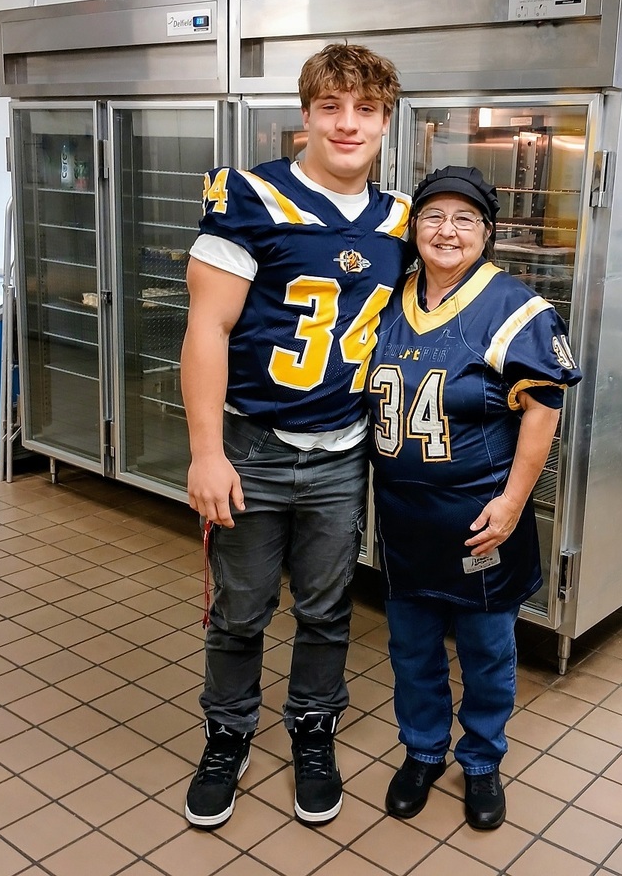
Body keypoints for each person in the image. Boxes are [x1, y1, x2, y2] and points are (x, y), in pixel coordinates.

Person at [180, 43, 410, 829]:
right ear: (305, 115)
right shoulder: (249, 196)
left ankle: (314, 728)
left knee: (326, 610)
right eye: (332, 108)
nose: (349, 124)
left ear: (386, 120)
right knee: (240, 612)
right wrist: (206, 452)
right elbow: (206, 328)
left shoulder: (401, 218)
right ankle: (228, 732)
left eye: (367, 110)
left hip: (343, 450)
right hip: (253, 446)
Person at [365, 165, 581, 830]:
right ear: (414, 227)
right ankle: (424, 750)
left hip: (482, 520)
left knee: (487, 651)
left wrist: (515, 503)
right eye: (433, 216)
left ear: (487, 232)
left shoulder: (514, 307)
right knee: (411, 648)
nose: (446, 230)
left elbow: (543, 411)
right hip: (403, 519)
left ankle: (482, 759)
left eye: (464, 219)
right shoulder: (386, 299)